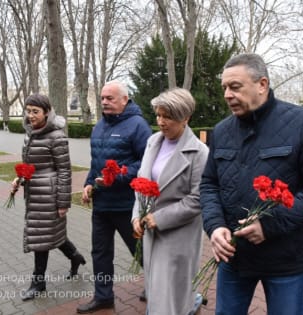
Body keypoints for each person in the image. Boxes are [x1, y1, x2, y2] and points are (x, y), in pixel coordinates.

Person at [200, 53, 303, 315]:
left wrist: (270, 225)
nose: (227, 95)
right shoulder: (221, 131)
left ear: (262, 84)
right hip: (234, 257)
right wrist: (214, 226)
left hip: (285, 260)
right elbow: (209, 184)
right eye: (224, 88)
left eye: (235, 86)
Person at [132, 88, 209, 315]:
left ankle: (186, 307)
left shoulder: (199, 152)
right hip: (150, 230)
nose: (161, 122)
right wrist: (136, 215)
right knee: (155, 287)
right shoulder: (153, 142)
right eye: (158, 115)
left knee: (170, 292)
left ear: (185, 118)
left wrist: (160, 218)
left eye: (168, 117)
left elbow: (197, 199)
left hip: (178, 234)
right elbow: (141, 182)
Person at [77, 80, 152, 313]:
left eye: (110, 98)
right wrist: (89, 183)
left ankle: (158, 286)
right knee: (100, 252)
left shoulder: (138, 125)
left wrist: (118, 176)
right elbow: (95, 163)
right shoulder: (99, 126)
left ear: (124, 99)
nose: (105, 102)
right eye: (102, 98)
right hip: (102, 205)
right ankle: (103, 297)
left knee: (140, 252)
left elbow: (146, 162)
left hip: (127, 206)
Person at [13, 93, 86, 301]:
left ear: (47, 112)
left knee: (40, 237)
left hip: (50, 195)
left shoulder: (57, 136)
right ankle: (76, 257)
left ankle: (38, 282)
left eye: (35, 112)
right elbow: (29, 164)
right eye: (28, 111)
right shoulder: (30, 133)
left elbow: (65, 170)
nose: (30, 116)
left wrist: (63, 203)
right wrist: (19, 178)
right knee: (49, 233)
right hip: (34, 193)